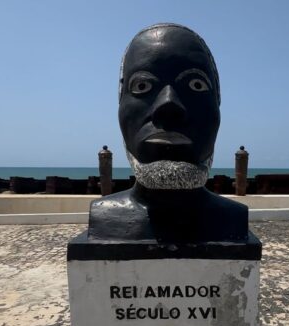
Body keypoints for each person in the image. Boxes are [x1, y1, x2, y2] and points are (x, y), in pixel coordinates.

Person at [87, 23, 248, 242]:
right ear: (119, 104)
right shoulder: (103, 216)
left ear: (217, 105)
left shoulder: (234, 219)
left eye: (196, 85)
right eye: (142, 86)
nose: (169, 104)